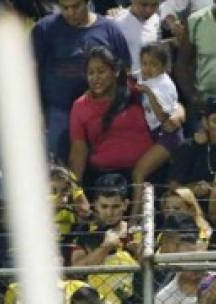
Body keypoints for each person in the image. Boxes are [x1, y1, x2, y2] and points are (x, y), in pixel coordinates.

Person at [31, 0, 131, 161]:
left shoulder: (110, 30)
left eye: (76, 6)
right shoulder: (44, 29)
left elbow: (125, 70)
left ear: (88, 3)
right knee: (56, 167)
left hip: (101, 112)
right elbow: (31, 72)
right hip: (58, 112)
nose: (70, 12)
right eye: (65, 8)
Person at [67, 46, 154, 186]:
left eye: (101, 72)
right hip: (105, 178)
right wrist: (75, 192)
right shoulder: (80, 106)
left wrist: (179, 111)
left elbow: (168, 102)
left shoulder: (136, 90)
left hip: (148, 174)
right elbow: (78, 152)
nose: (95, 78)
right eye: (90, 73)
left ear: (116, 71)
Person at [129, 42, 184, 213]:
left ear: (164, 66)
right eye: (144, 63)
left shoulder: (164, 85)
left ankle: (134, 220)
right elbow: (131, 76)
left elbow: (164, 118)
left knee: (139, 173)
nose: (148, 68)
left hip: (168, 135)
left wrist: (149, 93)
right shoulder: (144, 76)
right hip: (153, 134)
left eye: (153, 65)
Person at [168, 94, 216, 208]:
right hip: (193, 209)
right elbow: (173, 187)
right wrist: (192, 189)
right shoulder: (189, 147)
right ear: (205, 121)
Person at [112, 0, 159, 74]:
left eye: (154, 5)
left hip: (152, 80)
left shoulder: (156, 19)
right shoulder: (115, 22)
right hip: (127, 81)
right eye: (144, 4)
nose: (149, 10)